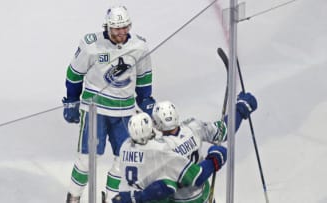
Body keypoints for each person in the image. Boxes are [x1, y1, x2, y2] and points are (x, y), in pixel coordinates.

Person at [62, 5, 156, 203]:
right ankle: (74, 198)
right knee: (86, 160)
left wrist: (146, 100)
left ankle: (113, 199)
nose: (121, 33)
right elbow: (74, 74)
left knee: (124, 158)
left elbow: (144, 78)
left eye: (125, 28)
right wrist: (71, 100)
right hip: (95, 111)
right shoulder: (91, 44)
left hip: (125, 112)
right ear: (107, 27)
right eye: (116, 29)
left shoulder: (140, 46)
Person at [113, 91, 257, 203]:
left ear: (155, 124)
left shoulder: (159, 147)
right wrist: (240, 110)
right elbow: (224, 131)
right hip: (203, 194)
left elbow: (163, 186)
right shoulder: (194, 127)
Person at [112, 113, 227, 203]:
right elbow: (196, 177)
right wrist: (216, 158)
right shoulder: (160, 150)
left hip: (123, 198)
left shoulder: (125, 146)